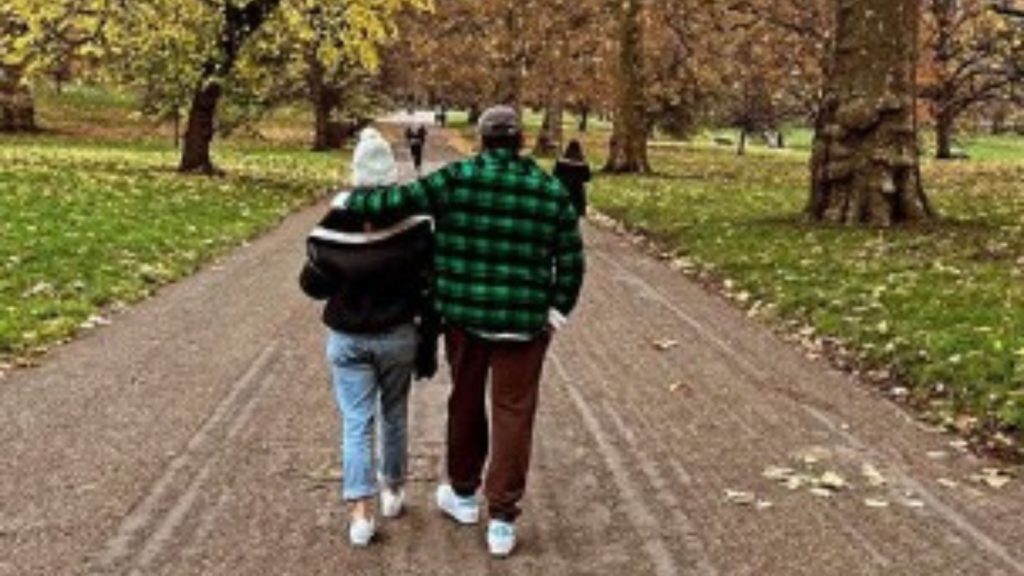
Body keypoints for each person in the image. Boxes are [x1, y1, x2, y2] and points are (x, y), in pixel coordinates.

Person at [345, 106, 585, 558]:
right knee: (515, 412)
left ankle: (463, 493)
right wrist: (556, 310)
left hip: (464, 317)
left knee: (466, 400)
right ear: (519, 141)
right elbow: (571, 259)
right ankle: (502, 519)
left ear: (481, 138)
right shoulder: (549, 191)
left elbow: (395, 202)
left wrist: (353, 202)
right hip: (523, 322)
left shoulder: (457, 179)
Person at [299, 128, 439, 547]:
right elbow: (429, 288)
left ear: (356, 173)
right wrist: (429, 341)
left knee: (357, 422)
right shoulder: (415, 228)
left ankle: (361, 513)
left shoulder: (332, 225)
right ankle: (393, 490)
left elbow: (313, 285)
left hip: (348, 338)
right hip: (397, 334)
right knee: (394, 413)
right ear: (391, 176)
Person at [553, 140, 592, 219]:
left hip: (563, 189)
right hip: (577, 192)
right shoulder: (583, 164)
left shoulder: (561, 162)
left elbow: (555, 175)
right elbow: (587, 178)